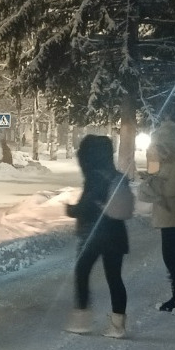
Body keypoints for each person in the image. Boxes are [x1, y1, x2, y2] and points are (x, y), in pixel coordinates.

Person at [64, 135, 131, 338]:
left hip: (93, 236)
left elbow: (87, 206)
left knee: (82, 273)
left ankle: (82, 320)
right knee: (115, 279)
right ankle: (118, 325)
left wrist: (71, 210)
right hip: (116, 235)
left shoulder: (94, 177)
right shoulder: (118, 176)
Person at [137, 121, 175, 316]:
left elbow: (172, 189)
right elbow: (153, 179)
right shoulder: (167, 161)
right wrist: (153, 162)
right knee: (171, 259)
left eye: (160, 145)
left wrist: (153, 182)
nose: (158, 149)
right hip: (168, 216)